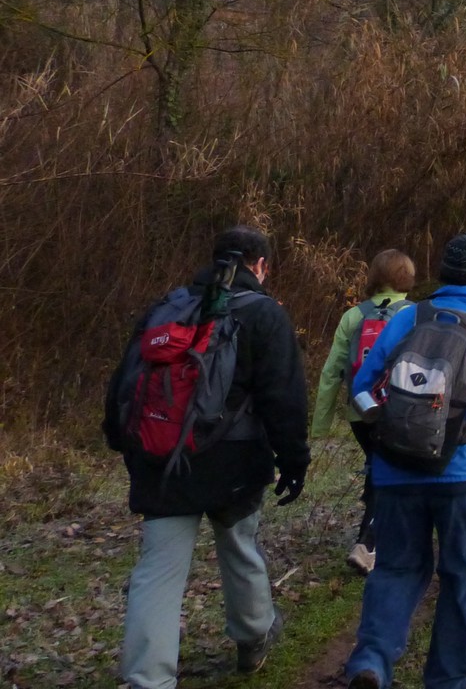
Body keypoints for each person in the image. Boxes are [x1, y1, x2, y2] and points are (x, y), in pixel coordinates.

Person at [103, 225, 309, 689]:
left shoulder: (168, 307)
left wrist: (125, 442)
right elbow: (284, 397)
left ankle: (148, 679)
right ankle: (253, 637)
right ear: (260, 265)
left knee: (158, 568)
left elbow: (124, 382)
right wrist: (294, 460)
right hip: (233, 459)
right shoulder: (264, 314)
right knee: (239, 545)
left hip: (160, 458)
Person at [343, 232, 466, 689]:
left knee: (396, 569)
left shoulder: (405, 319)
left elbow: (362, 385)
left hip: (396, 470)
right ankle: (447, 681)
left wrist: (381, 424)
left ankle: (371, 661)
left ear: (442, 273)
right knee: (463, 577)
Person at [310, 248, 416, 575]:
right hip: (399, 410)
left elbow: (331, 372)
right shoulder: (415, 314)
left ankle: (375, 537)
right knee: (391, 472)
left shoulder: (353, 316)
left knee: (377, 465)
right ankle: (368, 543)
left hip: (361, 411)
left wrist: (321, 424)